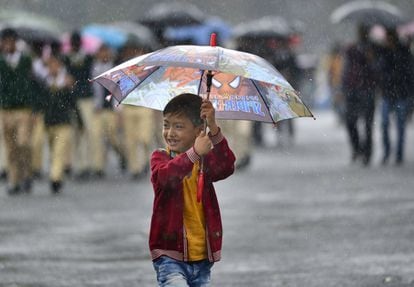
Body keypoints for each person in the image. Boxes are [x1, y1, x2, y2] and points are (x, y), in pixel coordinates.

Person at [149, 93, 235, 286]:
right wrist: (194, 153)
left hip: (202, 256)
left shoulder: (204, 160)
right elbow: (166, 178)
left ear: (198, 131)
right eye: (166, 124)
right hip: (169, 253)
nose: (170, 132)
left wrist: (213, 127)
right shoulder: (161, 157)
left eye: (179, 126)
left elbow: (226, 166)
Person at [0, 28, 35, 194]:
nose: (7, 44)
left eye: (10, 41)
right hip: (6, 109)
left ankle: (26, 173)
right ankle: (14, 180)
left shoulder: (26, 60)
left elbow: (33, 82)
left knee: (23, 143)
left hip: (23, 108)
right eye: (4, 41)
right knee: (11, 146)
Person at [341, 24, 378, 166]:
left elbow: (377, 70)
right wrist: (343, 88)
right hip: (353, 89)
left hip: (367, 90)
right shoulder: (352, 49)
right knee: (350, 122)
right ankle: (357, 149)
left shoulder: (374, 49)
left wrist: (371, 59)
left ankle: (367, 153)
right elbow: (347, 69)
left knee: (368, 124)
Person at [379, 27, 414, 165]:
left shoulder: (403, 52)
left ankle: (397, 154)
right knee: (386, 124)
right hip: (390, 94)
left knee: (399, 125)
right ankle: (389, 153)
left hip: (400, 94)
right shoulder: (384, 53)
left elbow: (409, 74)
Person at [42, 54, 75, 194]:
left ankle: (55, 178)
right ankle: (57, 174)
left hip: (63, 122)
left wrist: (70, 88)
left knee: (59, 151)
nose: (52, 68)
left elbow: (72, 103)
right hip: (49, 123)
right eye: (50, 65)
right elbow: (40, 102)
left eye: (55, 65)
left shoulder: (66, 82)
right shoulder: (44, 82)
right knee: (52, 150)